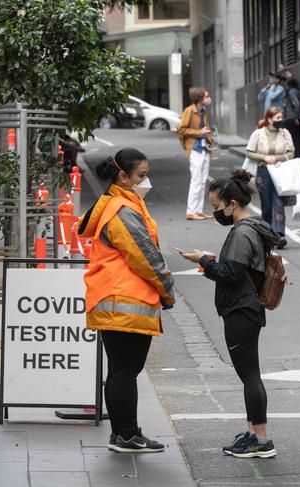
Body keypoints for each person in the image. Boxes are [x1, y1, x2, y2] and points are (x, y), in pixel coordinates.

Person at [78, 148, 175, 453]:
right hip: (124, 299)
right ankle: (127, 435)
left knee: (120, 369)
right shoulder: (122, 210)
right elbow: (145, 256)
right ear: (123, 176)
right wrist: (166, 289)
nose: (146, 181)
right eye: (142, 176)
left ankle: (122, 433)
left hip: (114, 299)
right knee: (125, 370)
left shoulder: (116, 204)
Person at [179, 170, 279, 459]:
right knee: (250, 374)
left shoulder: (242, 232)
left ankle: (261, 439)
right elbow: (243, 266)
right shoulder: (255, 226)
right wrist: (211, 258)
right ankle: (253, 433)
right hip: (249, 307)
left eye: (216, 207)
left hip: (240, 308)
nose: (214, 213)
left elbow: (231, 273)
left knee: (249, 376)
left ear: (232, 204)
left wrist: (205, 261)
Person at [245, 107, 294, 249]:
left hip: (280, 170)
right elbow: (249, 152)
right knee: (266, 206)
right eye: (278, 118)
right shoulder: (258, 134)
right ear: (269, 119)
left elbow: (291, 152)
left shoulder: (285, 133)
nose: (281, 120)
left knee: (279, 205)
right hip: (263, 171)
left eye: (281, 117)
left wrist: (277, 158)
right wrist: (265, 157)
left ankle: (279, 235)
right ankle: (266, 235)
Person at [178, 87, 214, 220]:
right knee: (196, 181)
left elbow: (206, 128)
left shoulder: (203, 111)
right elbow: (181, 129)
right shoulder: (189, 111)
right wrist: (199, 133)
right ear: (199, 99)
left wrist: (209, 139)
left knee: (203, 181)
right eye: (206, 96)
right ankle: (191, 211)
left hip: (204, 148)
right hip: (195, 149)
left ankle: (198, 210)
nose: (209, 98)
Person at [282, 78, 300, 162]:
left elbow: (296, 104)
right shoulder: (299, 92)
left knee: (292, 139)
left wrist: (295, 117)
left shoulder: (292, 92)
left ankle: (296, 157)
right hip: (297, 118)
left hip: (291, 118)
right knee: (298, 139)